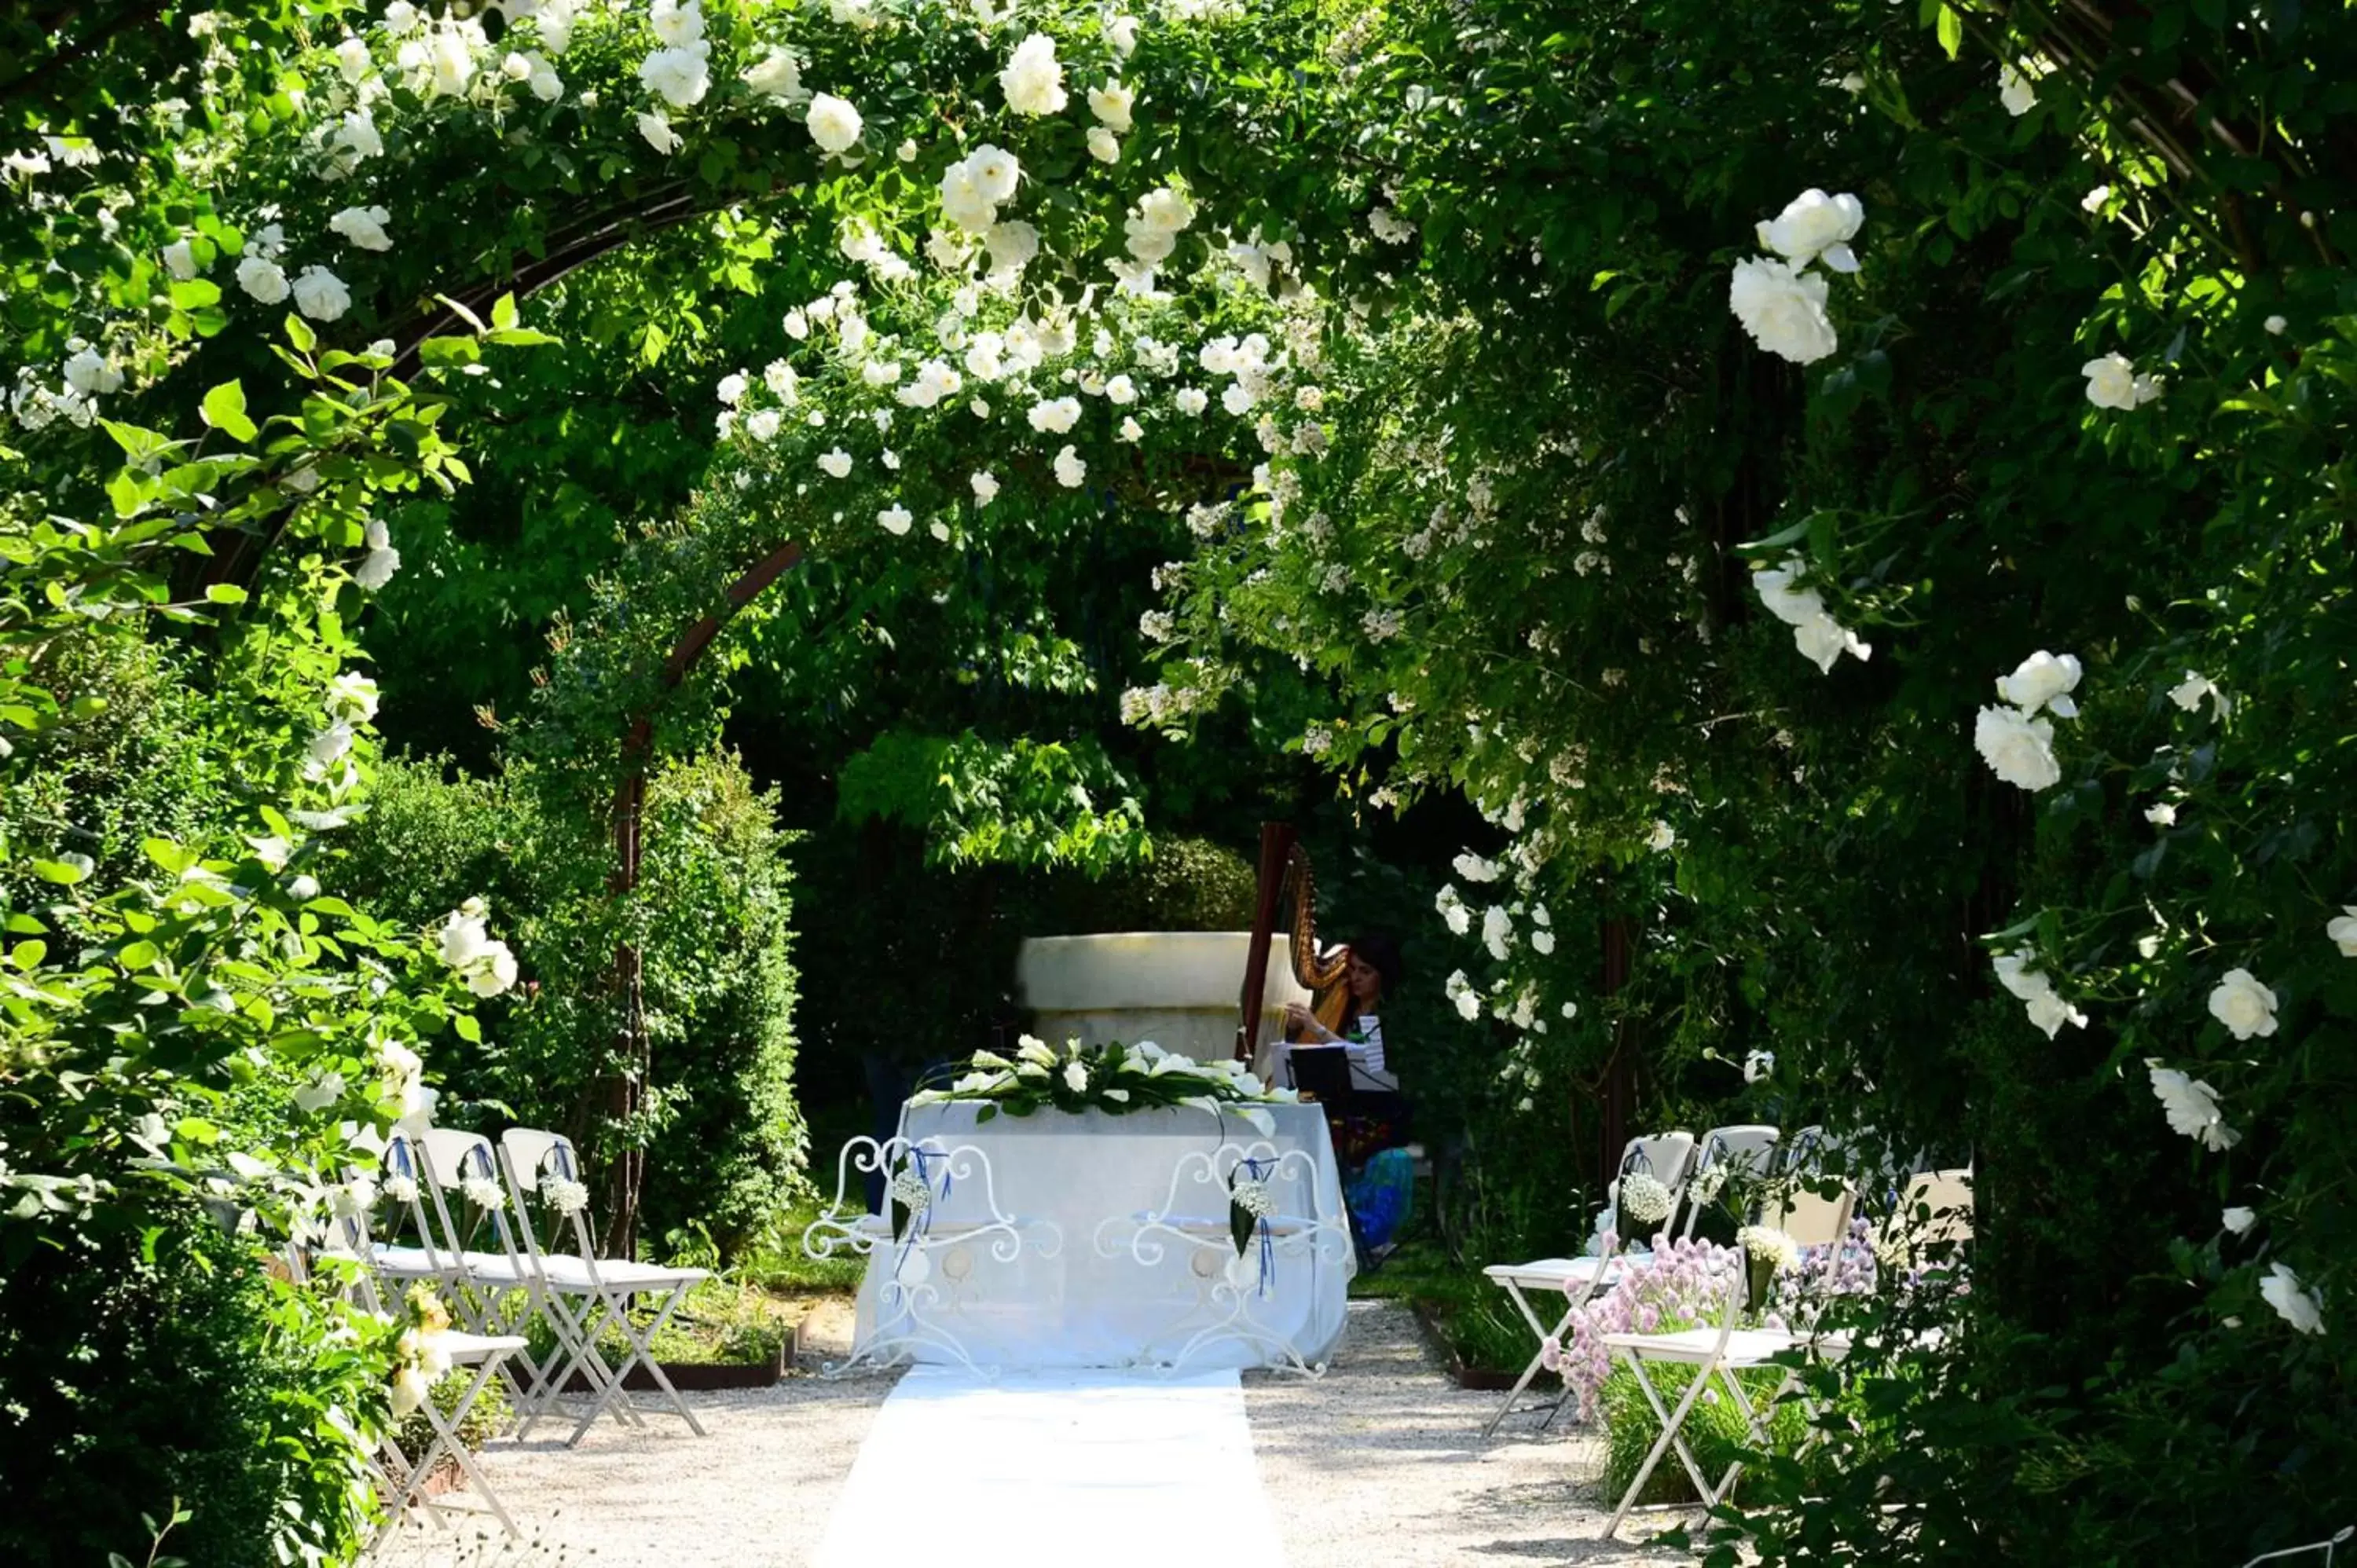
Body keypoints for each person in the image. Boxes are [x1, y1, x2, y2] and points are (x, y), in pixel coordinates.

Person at [1278, 931, 1403, 1094]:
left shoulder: (1390, 1015)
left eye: (1365, 972)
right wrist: (1295, 1030)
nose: (1355, 977)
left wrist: (1317, 1029)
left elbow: (1370, 1065)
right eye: (1352, 969)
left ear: (1383, 976)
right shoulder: (1344, 1002)